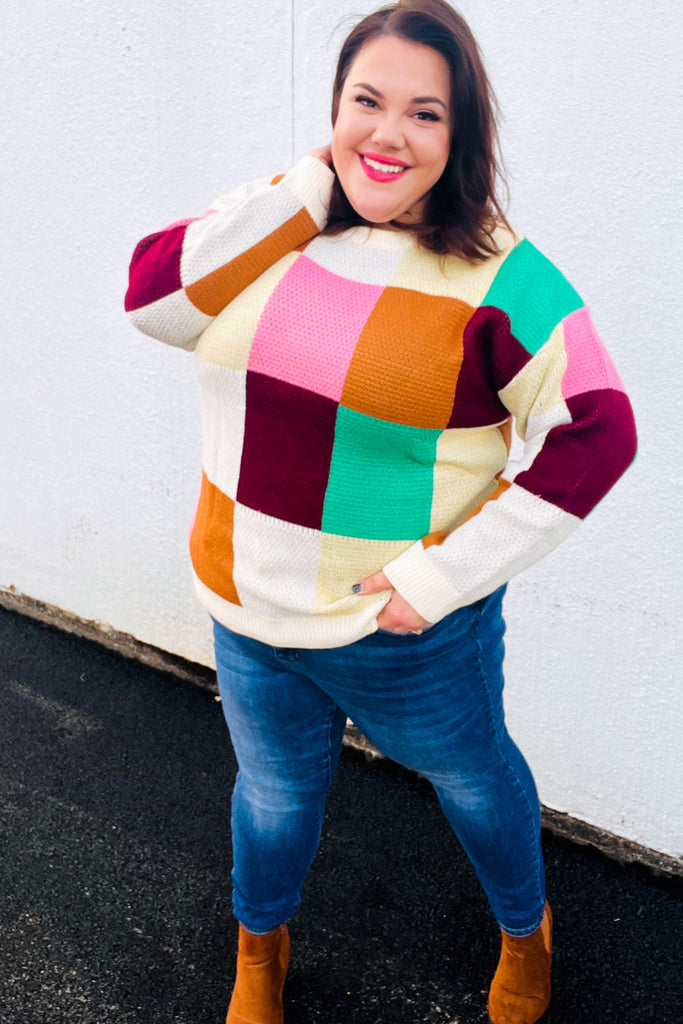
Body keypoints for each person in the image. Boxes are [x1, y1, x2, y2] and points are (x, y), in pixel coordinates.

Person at [125, 2, 637, 1021]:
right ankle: (260, 952)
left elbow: (597, 428)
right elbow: (152, 300)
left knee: (474, 784)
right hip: (247, 609)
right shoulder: (275, 225)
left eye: (423, 113)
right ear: (333, 110)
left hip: (403, 634)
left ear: (461, 133)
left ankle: (525, 931)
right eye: (366, 101)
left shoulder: (499, 274)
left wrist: (436, 580)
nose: (387, 133)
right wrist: (306, 191)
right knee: (272, 801)